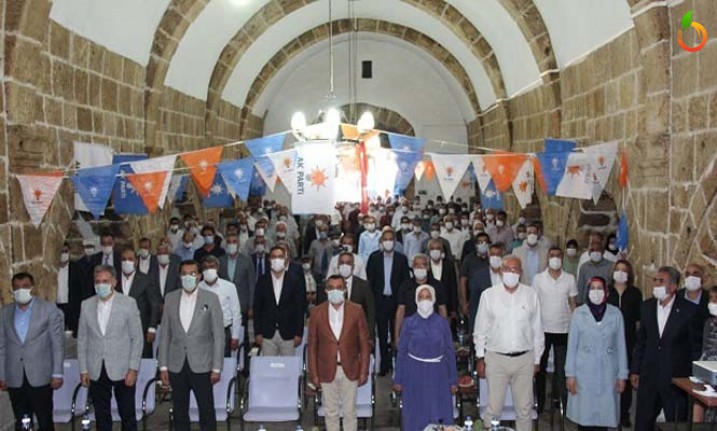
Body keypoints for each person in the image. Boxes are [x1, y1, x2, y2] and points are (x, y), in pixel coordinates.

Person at [474, 255, 544, 431]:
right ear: (500, 271)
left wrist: (537, 359)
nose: (511, 273)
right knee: (494, 408)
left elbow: (537, 329)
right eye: (507, 269)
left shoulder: (531, 295)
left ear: (520, 272)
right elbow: (480, 329)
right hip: (496, 359)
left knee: (524, 409)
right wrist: (480, 357)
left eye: (515, 269)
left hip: (524, 359)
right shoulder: (489, 295)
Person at [631, 266, 703, 429]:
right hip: (649, 376)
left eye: (661, 281)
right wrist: (635, 369)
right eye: (654, 280)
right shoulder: (647, 307)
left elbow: (695, 347)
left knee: (676, 423)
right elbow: (641, 341)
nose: (656, 284)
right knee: (643, 423)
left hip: (675, 380)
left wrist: (692, 378)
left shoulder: (689, 311)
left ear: (673, 286)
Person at [158, 260, 225, 431]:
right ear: (180, 276)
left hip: (202, 364)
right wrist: (163, 366)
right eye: (185, 273)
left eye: (193, 273)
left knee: (206, 410)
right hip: (176, 364)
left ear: (199, 276)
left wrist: (217, 368)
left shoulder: (211, 298)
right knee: (179, 411)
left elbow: (218, 334)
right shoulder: (171, 298)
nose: (189, 277)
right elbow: (165, 334)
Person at [78, 265, 144, 431]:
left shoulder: (128, 303)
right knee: (101, 415)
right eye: (98, 281)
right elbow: (82, 339)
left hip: (122, 368)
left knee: (127, 414)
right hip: (96, 368)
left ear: (114, 282)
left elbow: (137, 338)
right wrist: (84, 369)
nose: (101, 285)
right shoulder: (86, 305)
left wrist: (133, 368)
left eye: (105, 281)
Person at [0, 272, 65, 431]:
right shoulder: (4, 313)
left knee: (44, 420)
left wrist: (57, 373)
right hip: (15, 376)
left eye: (25, 286)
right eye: (16, 287)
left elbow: (57, 344)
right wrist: (2, 375)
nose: (20, 290)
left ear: (32, 288)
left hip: (40, 376)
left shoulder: (48, 309)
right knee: (21, 421)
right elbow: (2, 345)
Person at [308, 276, 371, 431]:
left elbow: (364, 344)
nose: (335, 290)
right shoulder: (317, 312)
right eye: (331, 287)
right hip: (326, 369)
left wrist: (364, 372)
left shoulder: (357, 310)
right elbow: (312, 347)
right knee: (331, 412)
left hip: (350, 368)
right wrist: (314, 374)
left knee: (350, 412)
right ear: (326, 290)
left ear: (345, 290)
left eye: (339, 287)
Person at [565, 277, 628, 430]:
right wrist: (570, 375)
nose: (596, 292)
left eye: (600, 288)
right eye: (592, 288)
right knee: (585, 419)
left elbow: (621, 345)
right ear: (587, 292)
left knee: (603, 419)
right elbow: (572, 346)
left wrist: (622, 374)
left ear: (606, 292)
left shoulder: (616, 314)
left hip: (608, 373)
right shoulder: (579, 313)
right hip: (584, 373)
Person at [394, 285, 457, 431]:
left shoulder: (442, 323)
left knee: (438, 413)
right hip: (413, 374)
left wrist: (453, 380)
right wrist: (398, 378)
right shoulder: (408, 323)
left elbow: (449, 352)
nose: (424, 300)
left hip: (438, 375)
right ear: (416, 300)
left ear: (433, 299)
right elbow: (402, 352)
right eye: (421, 297)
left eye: (427, 297)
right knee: (415, 415)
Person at [532, 247, 578, 413]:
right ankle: (540, 402)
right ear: (547, 258)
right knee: (540, 369)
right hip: (543, 329)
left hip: (564, 329)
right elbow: (534, 304)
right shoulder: (538, 279)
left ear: (562, 258)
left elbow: (573, 303)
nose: (555, 258)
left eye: (558, 256)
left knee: (562, 368)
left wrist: (575, 324)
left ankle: (562, 402)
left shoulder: (569, 279)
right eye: (552, 256)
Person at [366, 229, 410, 375]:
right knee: (383, 335)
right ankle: (384, 365)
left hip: (397, 303)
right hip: (380, 302)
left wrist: (402, 302)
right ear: (381, 242)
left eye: (391, 239)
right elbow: (370, 282)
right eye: (385, 239)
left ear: (395, 242)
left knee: (398, 334)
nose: (388, 242)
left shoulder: (401, 259)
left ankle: (398, 364)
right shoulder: (374, 258)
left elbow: (405, 282)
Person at [606, 259, 642, 427]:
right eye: (618, 269)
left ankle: (624, 413)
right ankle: (607, 410)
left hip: (628, 340)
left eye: (624, 270)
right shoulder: (607, 291)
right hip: (608, 340)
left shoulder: (635, 293)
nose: (620, 272)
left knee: (624, 376)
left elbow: (637, 320)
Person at [253, 246, 306, 356]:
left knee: (288, 369)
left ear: (286, 259)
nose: (277, 259)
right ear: (269, 260)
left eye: (280, 257)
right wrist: (257, 332)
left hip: (289, 333)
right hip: (267, 334)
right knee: (268, 368)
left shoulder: (294, 280)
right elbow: (257, 308)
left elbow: (300, 308)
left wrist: (299, 333)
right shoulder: (262, 280)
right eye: (274, 257)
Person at [318, 252, 375, 343]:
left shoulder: (364, 286)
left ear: (353, 266)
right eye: (342, 263)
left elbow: (370, 313)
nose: (345, 266)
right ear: (337, 266)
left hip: (357, 336)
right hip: (333, 336)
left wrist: (370, 337)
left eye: (348, 263)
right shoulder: (328, 286)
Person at [395, 254, 448, 344]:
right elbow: (400, 311)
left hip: (433, 331)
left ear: (428, 267)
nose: (419, 268)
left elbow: (442, 310)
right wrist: (396, 336)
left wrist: (445, 333)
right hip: (410, 331)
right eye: (416, 265)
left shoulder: (437, 286)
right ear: (412, 267)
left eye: (423, 265)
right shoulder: (405, 285)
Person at [118, 248, 161, 358]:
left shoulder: (146, 279)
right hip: (118, 329)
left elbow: (154, 305)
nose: (126, 262)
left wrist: (152, 327)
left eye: (130, 259)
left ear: (136, 261)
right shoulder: (114, 280)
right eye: (124, 259)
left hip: (141, 328)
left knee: (141, 358)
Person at [198, 255, 242, 357]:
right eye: (206, 267)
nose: (209, 270)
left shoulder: (229, 287)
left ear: (217, 268)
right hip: (202, 332)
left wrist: (235, 336)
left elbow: (236, 313)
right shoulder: (198, 287)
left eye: (212, 267)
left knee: (222, 364)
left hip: (223, 331)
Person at [218, 233, 256, 344]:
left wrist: (251, 306)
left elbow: (251, 284)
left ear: (239, 244)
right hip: (225, 305)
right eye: (229, 242)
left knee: (243, 336)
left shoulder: (246, 261)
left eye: (234, 242)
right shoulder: (220, 261)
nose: (231, 244)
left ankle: (243, 359)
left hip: (242, 304)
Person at [694, 286, 717, 422]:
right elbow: (705, 350)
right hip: (708, 374)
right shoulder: (708, 323)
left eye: (716, 299)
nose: (713, 302)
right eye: (711, 299)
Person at [427, 239, 459, 321]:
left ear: (442, 251)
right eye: (432, 248)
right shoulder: (426, 266)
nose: (435, 251)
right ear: (429, 251)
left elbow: (453, 286)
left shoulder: (449, 265)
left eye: (437, 248)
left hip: (447, 307)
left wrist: (454, 308)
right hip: (429, 307)